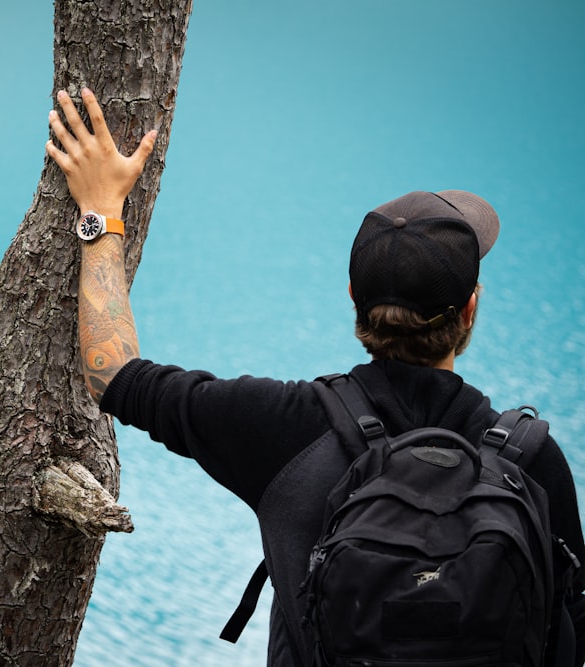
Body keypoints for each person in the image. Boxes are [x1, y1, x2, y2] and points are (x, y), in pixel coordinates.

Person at [46, 87, 585, 666]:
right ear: (470, 310)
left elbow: (112, 375)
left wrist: (101, 212)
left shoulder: (280, 428)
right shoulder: (531, 461)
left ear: (354, 300)